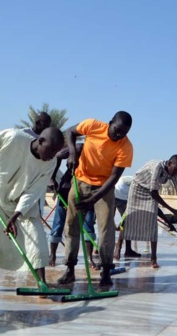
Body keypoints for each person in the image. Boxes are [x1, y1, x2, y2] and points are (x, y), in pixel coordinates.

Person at [0, 127, 64, 296]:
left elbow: (33, 191)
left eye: (56, 152)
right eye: (51, 150)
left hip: (22, 203)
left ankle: (41, 282)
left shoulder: (50, 163)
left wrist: (16, 215)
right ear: (40, 141)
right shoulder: (13, 137)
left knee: (36, 237)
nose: (52, 155)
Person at [57, 111, 134, 287]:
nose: (119, 135)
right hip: (80, 181)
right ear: (110, 123)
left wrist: (93, 199)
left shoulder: (126, 147)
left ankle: (106, 271)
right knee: (71, 226)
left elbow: (114, 177)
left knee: (106, 229)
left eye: (124, 133)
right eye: (117, 130)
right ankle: (69, 270)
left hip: (104, 188)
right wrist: (71, 153)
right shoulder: (92, 125)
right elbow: (70, 132)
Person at [121, 155, 177, 268]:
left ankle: (153, 259)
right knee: (130, 217)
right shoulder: (157, 167)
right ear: (169, 163)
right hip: (138, 188)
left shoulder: (173, 174)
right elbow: (154, 194)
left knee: (152, 223)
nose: (176, 172)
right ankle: (120, 249)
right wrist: (172, 210)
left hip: (151, 191)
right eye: (175, 169)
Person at [48, 144, 97, 267]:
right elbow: (58, 156)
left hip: (87, 189)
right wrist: (52, 178)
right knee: (59, 223)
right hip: (67, 188)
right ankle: (52, 255)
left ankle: (90, 258)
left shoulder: (97, 153)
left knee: (88, 225)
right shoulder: (77, 148)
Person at [112, 175, 142, 260]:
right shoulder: (138, 182)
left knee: (122, 223)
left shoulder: (131, 180)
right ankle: (120, 250)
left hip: (115, 194)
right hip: (121, 196)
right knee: (126, 224)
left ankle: (98, 249)